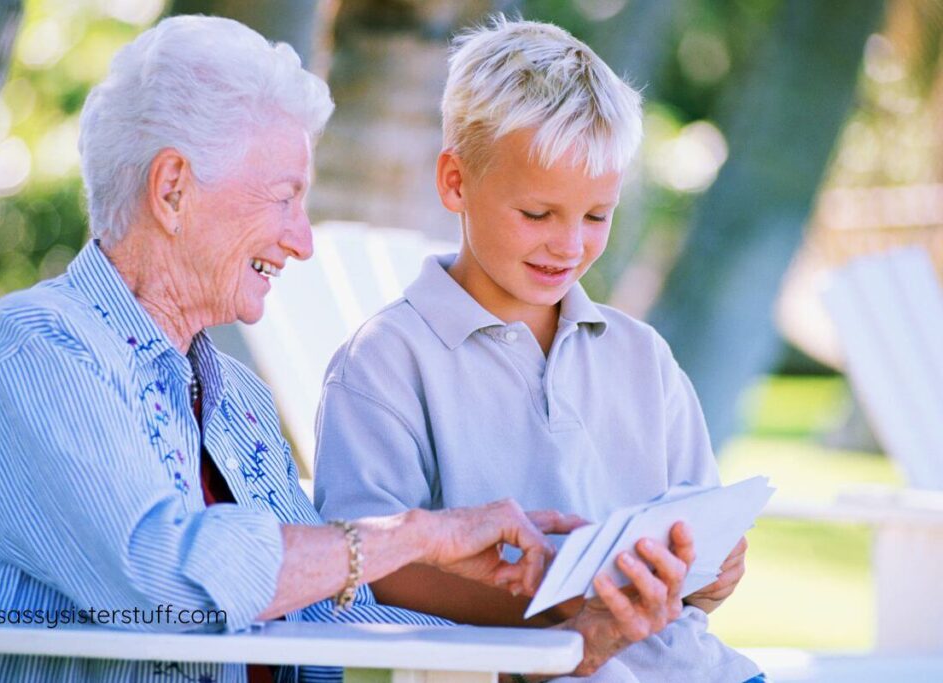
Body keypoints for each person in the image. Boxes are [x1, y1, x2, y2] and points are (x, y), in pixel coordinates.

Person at [0, 16, 610, 683]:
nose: (303, 240)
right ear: (173, 189)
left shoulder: (233, 399)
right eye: (285, 199)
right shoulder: (35, 355)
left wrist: (554, 638)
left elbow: (322, 614)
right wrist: (416, 535)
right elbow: (172, 582)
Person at [314, 16, 759, 683]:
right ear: (456, 182)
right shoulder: (384, 362)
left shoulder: (642, 357)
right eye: (538, 214)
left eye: (595, 215)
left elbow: (694, 563)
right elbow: (370, 562)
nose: (569, 244)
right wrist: (560, 609)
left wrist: (709, 574)